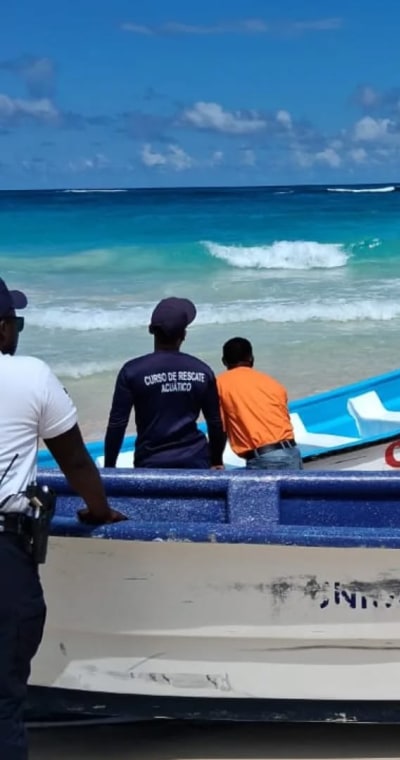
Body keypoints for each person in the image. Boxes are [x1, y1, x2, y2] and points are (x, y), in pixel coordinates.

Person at [0, 277, 124, 760]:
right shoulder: (29, 375)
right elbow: (74, 460)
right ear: (4, 329)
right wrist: (99, 510)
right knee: (4, 702)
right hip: (4, 554)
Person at [104, 297, 225, 469]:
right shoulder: (202, 371)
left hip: (151, 462)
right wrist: (216, 460)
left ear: (151, 330)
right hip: (196, 460)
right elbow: (215, 422)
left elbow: (117, 424)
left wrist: (110, 467)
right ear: (184, 335)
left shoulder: (132, 371)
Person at [216, 337, 303, 470]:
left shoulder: (220, 384)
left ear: (224, 361)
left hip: (264, 459)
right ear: (251, 358)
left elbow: (219, 428)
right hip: (292, 452)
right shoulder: (272, 383)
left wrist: (216, 460)